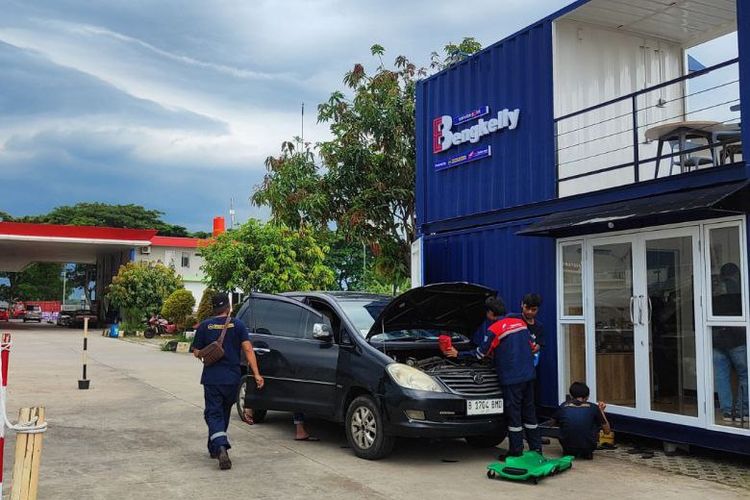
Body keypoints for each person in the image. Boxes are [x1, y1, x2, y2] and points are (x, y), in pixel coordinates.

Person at [447, 296, 541, 458]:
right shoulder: (520, 323)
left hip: (512, 379)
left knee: (514, 414)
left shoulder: (495, 329)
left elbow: (479, 354)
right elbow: (532, 348)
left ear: (490, 313)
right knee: (529, 412)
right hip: (529, 375)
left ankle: (516, 451)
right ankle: (536, 449)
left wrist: (458, 354)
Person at [191, 292, 264, 470]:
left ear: (213, 308)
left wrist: (204, 354)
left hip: (212, 379)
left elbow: (196, 351)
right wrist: (256, 374)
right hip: (232, 379)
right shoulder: (238, 325)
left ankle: (221, 446)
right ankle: (214, 447)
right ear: (229, 307)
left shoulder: (205, 326)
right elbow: (248, 350)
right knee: (222, 412)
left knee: (213, 413)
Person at [550, 382, 610, 459]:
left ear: (571, 395)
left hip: (567, 448)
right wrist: (601, 411)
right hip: (588, 449)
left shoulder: (563, 406)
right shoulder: (593, 408)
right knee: (593, 422)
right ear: (587, 396)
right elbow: (607, 431)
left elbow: (551, 423)